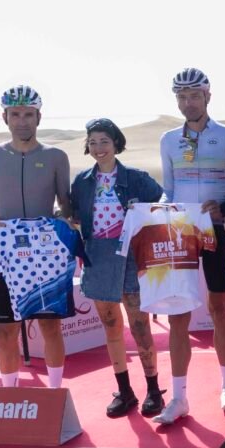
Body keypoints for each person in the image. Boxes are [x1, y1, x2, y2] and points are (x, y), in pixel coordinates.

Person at [156, 67, 225, 424]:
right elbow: (168, 188)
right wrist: (160, 209)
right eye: (182, 97)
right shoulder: (167, 140)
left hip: (217, 231)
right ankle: (179, 398)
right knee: (178, 313)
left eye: (194, 96)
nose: (188, 103)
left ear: (208, 96)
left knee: (220, 308)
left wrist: (224, 207)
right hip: (181, 232)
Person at [0, 85, 72, 388]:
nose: (22, 121)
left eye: (28, 114)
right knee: (6, 330)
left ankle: (55, 393)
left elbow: (65, 201)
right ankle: (10, 395)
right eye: (15, 114)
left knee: (50, 328)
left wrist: (62, 216)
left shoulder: (56, 156)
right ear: (5, 117)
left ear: (39, 117)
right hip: (8, 254)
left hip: (47, 253)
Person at [70, 119, 166, 417]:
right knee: (111, 326)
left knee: (140, 326)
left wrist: (146, 217)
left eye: (104, 141)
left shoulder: (136, 178)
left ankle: (153, 391)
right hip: (98, 258)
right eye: (93, 142)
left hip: (132, 258)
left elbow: (163, 200)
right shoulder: (82, 181)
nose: (98, 148)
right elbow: (74, 214)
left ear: (116, 144)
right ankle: (125, 391)